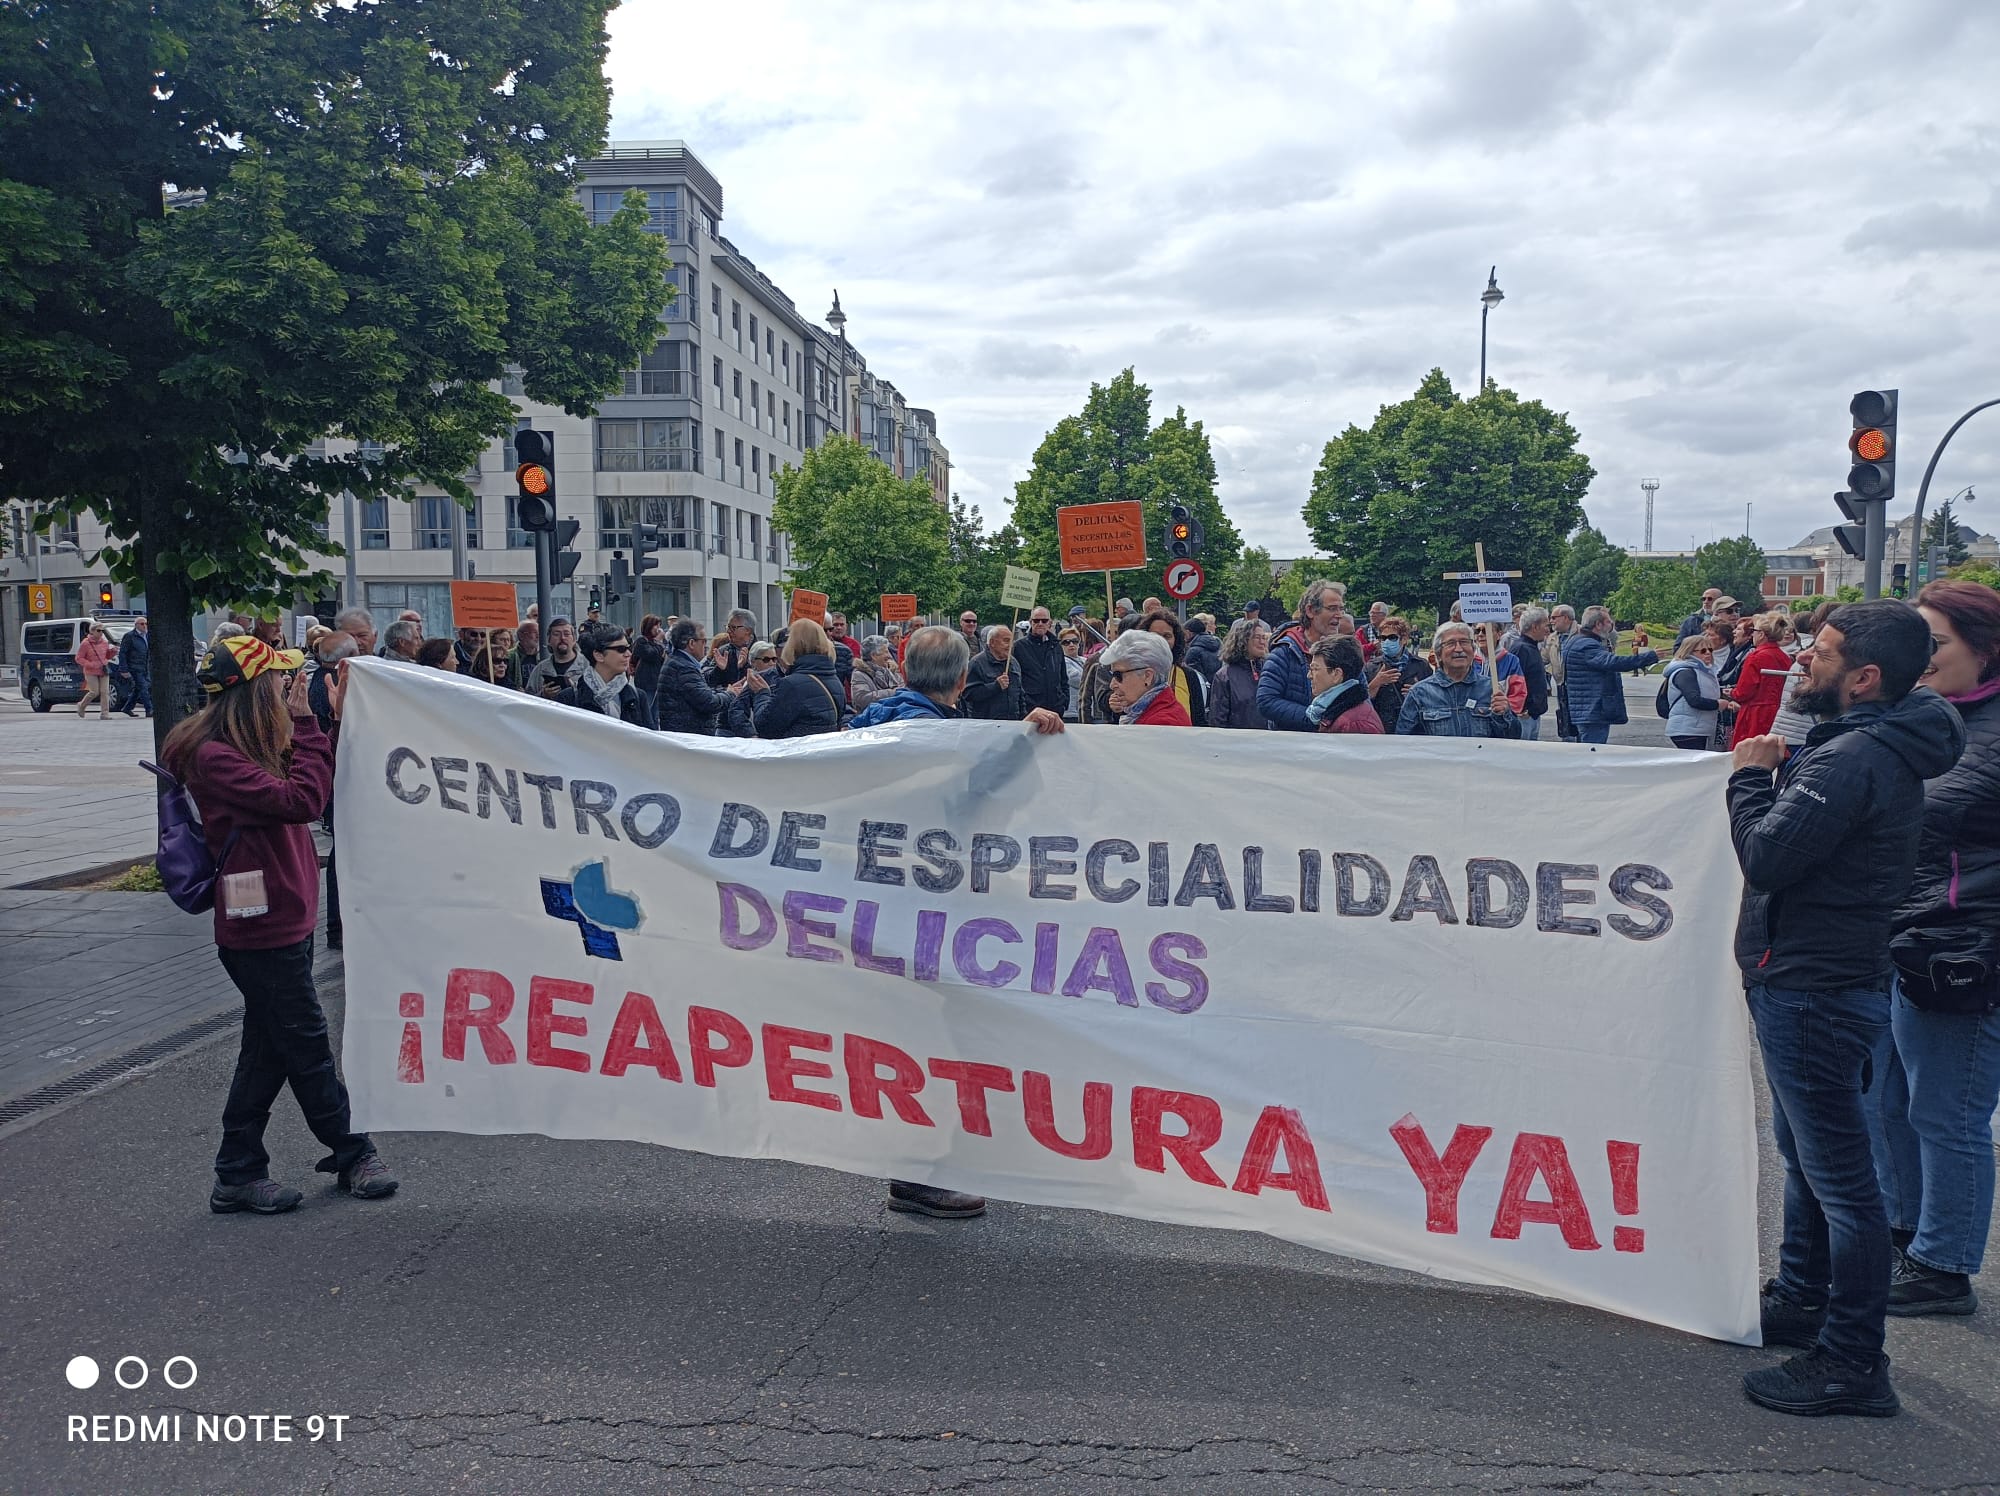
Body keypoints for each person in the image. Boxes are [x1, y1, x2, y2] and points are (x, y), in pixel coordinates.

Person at [1727, 600, 1963, 1416]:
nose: (1802, 662)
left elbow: (1767, 857)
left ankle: (1852, 1361)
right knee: (1808, 1156)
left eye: (1820, 654)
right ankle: (1802, 1296)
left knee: (1844, 1184)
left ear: (1864, 678)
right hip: (1820, 978)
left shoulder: (1850, 760)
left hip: (1813, 988)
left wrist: (1749, 781)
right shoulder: (1868, 745)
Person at [160, 635, 396, 1214]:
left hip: (282, 918)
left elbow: (320, 779)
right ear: (252, 691)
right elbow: (302, 800)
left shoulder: (249, 745)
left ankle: (237, 1171)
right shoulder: (215, 757)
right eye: (280, 681)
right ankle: (352, 1151)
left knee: (267, 1051)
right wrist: (310, 722)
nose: (289, 689)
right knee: (307, 1043)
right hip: (257, 926)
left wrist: (328, 725)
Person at [1869, 581, 2000, 1320]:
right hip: (1902, 940)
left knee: (1948, 1114)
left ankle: (1944, 1265)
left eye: (1936, 644)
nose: (1919, 660)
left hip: (1966, 951)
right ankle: (1907, 1233)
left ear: (1983, 647)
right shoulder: (1920, 717)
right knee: (1888, 1101)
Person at [1395, 623, 1520, 738]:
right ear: (1439, 654)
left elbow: (1513, 738)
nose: (1459, 649)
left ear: (1473, 650)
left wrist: (1504, 714)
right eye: (1451, 643)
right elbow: (1405, 742)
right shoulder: (1419, 693)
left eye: (1464, 642)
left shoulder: (1492, 689)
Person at [1559, 606, 1658, 744]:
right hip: (1592, 710)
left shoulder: (1578, 640)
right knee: (1592, 754)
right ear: (1598, 625)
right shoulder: (1587, 645)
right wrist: (1650, 657)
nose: (1612, 626)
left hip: (1586, 709)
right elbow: (1613, 662)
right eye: (1609, 622)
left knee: (1587, 752)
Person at [1259, 578, 1346, 731]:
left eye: (1341, 609)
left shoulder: (1345, 652)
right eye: (1332, 608)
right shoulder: (1284, 652)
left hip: (1336, 746)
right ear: (1310, 611)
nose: (1339, 615)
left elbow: (1362, 695)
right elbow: (1266, 701)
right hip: (1294, 748)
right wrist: (1313, 719)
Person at [753, 617, 847, 738]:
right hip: (822, 752)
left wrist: (761, 693)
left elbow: (765, 727)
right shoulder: (835, 680)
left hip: (796, 752)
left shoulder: (792, 684)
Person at [1727, 613, 1796, 748]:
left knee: (1750, 752)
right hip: (1779, 712)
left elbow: (1744, 692)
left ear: (1762, 634)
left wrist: (1732, 693)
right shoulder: (1784, 657)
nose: (1752, 635)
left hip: (1756, 714)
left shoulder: (1756, 656)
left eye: (1754, 631)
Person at [1098, 629, 1191, 725]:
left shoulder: (1161, 723)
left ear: (1147, 676)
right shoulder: (1154, 712)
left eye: (1118, 676)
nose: (1112, 685)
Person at [656, 619, 732, 735]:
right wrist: (730, 694)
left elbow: (699, 687)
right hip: (689, 738)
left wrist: (719, 671)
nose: (706, 646)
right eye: (703, 641)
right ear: (691, 643)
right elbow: (709, 702)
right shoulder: (683, 667)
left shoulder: (679, 662)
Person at [560, 626, 648, 724]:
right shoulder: (568, 698)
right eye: (621, 649)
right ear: (599, 655)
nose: (628, 654)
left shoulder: (638, 696)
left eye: (629, 647)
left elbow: (649, 737)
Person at [1364, 615, 1432, 732]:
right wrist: (1376, 683)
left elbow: (1434, 698)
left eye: (1392, 637)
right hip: (1381, 729)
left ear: (1404, 639)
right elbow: (1361, 702)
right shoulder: (1371, 667)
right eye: (1383, 638)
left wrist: (1417, 694)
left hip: (1413, 730)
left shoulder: (1421, 665)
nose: (1386, 642)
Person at [1305, 637, 1383, 735]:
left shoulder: (1355, 724)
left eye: (1315, 669)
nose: (1309, 675)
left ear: (1336, 674)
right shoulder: (1335, 710)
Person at [1141, 610, 1208, 725]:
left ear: (1176, 639)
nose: (1161, 641)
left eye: (1167, 636)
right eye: (1155, 636)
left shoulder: (1188, 675)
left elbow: (1198, 719)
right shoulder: (1133, 673)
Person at [1662, 636, 1722, 750]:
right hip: (1688, 729)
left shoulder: (1702, 671)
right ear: (1689, 652)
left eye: (1710, 650)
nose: (1708, 653)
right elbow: (1694, 700)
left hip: (1696, 727)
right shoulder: (1686, 672)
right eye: (1703, 651)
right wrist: (1718, 704)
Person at [1209, 619, 1270, 730]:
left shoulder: (1269, 671)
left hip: (1268, 742)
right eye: (1257, 637)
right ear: (1243, 641)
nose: (1262, 642)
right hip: (1238, 743)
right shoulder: (1225, 676)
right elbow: (1217, 720)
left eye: (1264, 637)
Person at [1507, 608, 1553, 740]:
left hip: (1532, 715)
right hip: (1524, 716)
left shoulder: (1530, 647)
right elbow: (1513, 680)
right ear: (1535, 626)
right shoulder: (1522, 649)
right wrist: (1521, 708)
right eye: (1546, 625)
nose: (1547, 630)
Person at [1014, 606, 1068, 717]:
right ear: (1030, 622)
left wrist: (1064, 700)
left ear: (1050, 623)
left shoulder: (1056, 646)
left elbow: (1063, 676)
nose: (1040, 623)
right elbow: (1015, 679)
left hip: (1055, 708)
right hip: (1031, 710)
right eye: (1036, 620)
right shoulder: (1019, 647)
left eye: (1044, 620)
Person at [963, 624, 1024, 721]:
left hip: (1012, 724)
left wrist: (1023, 719)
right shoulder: (977, 663)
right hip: (986, 726)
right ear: (992, 642)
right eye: (1006, 641)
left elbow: (1020, 695)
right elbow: (968, 694)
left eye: (1011, 641)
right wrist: (995, 686)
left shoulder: (1014, 662)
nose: (1010, 645)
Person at [1475, 623, 1529, 715]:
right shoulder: (1468, 660)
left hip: (1500, 719)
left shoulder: (1511, 661)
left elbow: (1518, 693)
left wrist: (1506, 712)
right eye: (1477, 631)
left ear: (1499, 635)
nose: (1480, 634)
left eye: (1485, 631)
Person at [1544, 604, 1579, 741]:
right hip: (1561, 685)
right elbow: (1544, 658)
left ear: (1565, 618)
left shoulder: (1582, 633)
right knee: (1565, 719)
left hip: (1578, 685)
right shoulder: (1552, 638)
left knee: (1578, 721)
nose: (1551, 621)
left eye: (1554, 617)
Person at [525, 618, 585, 696]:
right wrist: (543, 695)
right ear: (549, 640)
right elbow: (528, 700)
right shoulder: (540, 669)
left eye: (566, 634)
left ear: (574, 639)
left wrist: (573, 691)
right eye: (556, 634)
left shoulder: (588, 665)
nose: (562, 638)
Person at [705, 609, 761, 689]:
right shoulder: (723, 651)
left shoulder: (761, 651)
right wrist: (719, 669)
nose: (729, 631)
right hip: (728, 699)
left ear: (748, 630)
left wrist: (745, 666)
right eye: (728, 627)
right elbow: (708, 681)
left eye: (733, 628)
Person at [849, 635, 904, 713]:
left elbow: (904, 688)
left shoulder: (892, 670)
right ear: (874, 656)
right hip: (871, 721)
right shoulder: (859, 674)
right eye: (885, 652)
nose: (889, 655)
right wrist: (894, 692)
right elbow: (862, 699)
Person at [74, 622, 116, 719]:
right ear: (92, 631)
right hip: (91, 671)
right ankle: (82, 705)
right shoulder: (85, 643)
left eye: (102, 631)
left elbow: (107, 656)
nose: (101, 633)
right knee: (94, 692)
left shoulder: (105, 642)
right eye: (98, 630)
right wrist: (90, 664)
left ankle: (105, 714)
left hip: (103, 670)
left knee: (105, 692)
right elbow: (79, 658)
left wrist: (112, 652)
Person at [632, 615, 669, 720]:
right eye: (656, 626)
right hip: (646, 680)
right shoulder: (641, 641)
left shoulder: (655, 642)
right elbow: (651, 654)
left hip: (656, 681)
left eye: (659, 626)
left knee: (655, 713)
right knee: (645, 709)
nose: (658, 629)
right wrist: (658, 642)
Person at [117, 616, 153, 718]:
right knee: (143, 687)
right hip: (134, 667)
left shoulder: (147, 636)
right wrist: (123, 668)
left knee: (138, 688)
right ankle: (149, 709)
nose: (144, 626)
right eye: (142, 624)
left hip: (145, 666)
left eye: (146, 624)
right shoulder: (129, 636)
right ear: (136, 625)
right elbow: (123, 653)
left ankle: (127, 708)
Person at [1184, 616, 1222, 682]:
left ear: (1189, 633)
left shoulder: (1193, 651)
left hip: (1203, 689)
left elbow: (1193, 677)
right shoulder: (1217, 643)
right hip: (1217, 686)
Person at [1059, 629, 1085, 721]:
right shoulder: (1062, 662)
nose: (1071, 644)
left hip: (1085, 711)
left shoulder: (1084, 660)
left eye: (1074, 641)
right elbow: (1077, 680)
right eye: (1066, 642)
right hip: (1070, 713)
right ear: (1061, 645)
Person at [508, 619, 541, 686]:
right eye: (534, 632)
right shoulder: (510, 656)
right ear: (521, 636)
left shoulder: (544, 655)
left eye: (539, 632)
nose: (538, 636)